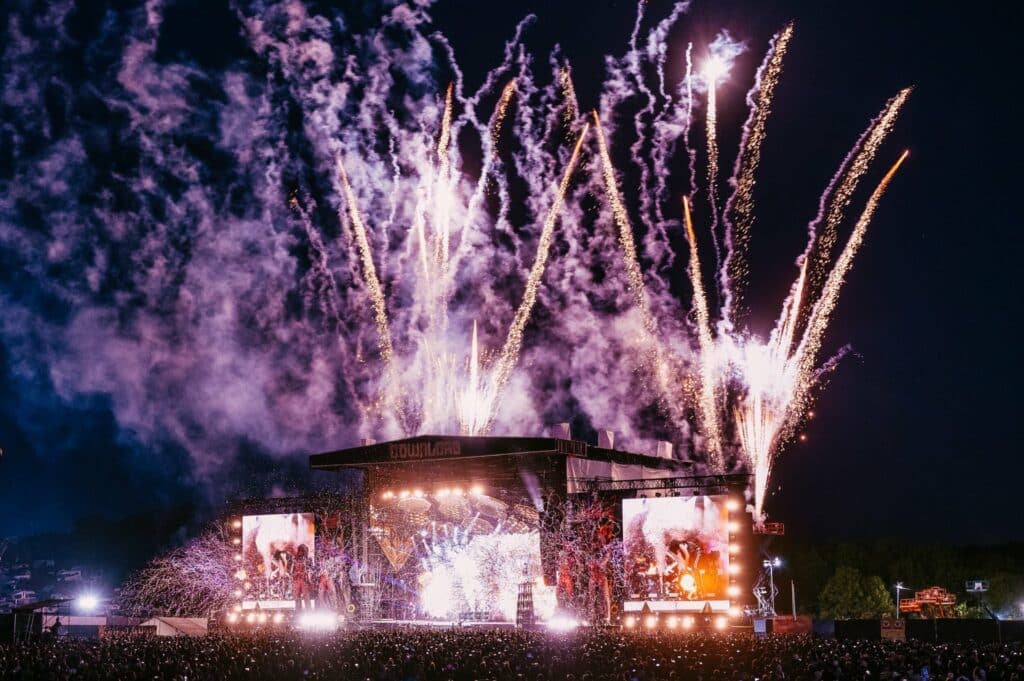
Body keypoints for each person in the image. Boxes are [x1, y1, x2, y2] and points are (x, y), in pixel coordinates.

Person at [292, 544, 312, 610]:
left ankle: (308, 613)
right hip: (297, 580)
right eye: (300, 550)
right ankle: (298, 612)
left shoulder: (308, 559)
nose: (300, 552)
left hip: (304, 580)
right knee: (297, 597)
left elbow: (310, 570)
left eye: (302, 550)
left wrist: (309, 580)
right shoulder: (295, 559)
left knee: (306, 597)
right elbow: (292, 570)